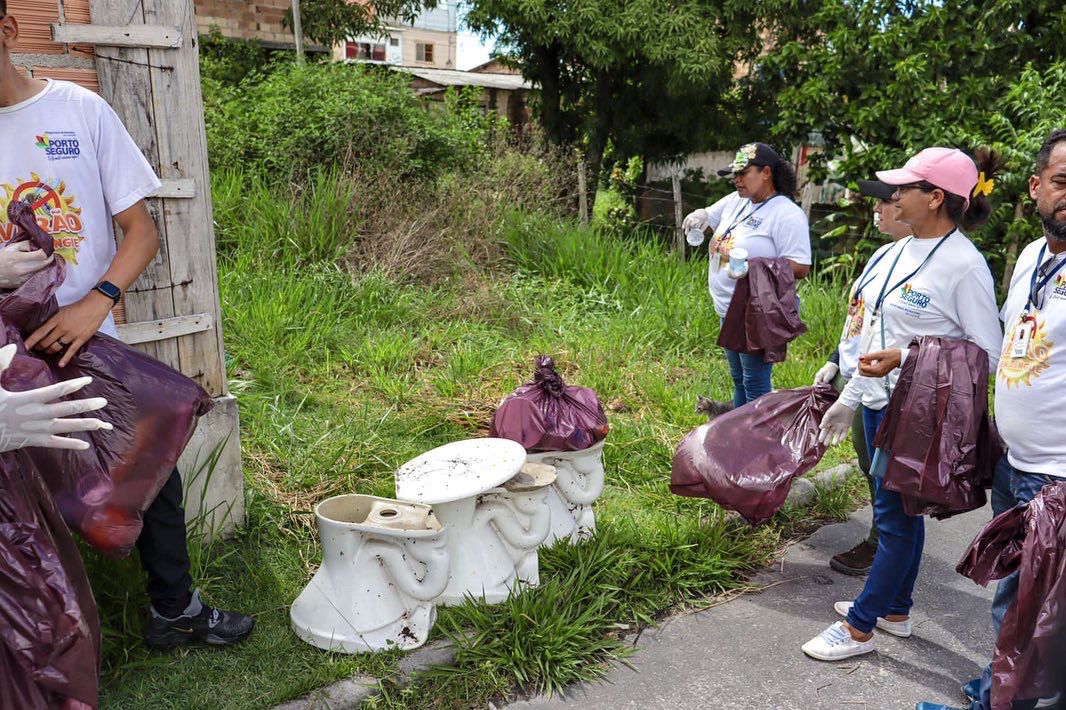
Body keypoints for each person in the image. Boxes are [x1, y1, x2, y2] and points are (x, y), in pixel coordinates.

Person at [0, 3, 253, 649]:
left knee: (150, 469)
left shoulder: (78, 113)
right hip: (4, 357)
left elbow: (141, 233)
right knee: (18, 498)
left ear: (5, 32)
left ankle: (175, 611)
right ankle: (45, 641)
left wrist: (97, 301)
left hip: (86, 340)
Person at [802, 147, 1003, 663]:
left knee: (894, 520)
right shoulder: (896, 250)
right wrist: (849, 396)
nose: (894, 196)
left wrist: (908, 357)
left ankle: (860, 627)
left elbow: (989, 353)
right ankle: (896, 610)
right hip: (874, 404)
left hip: (916, 415)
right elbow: (872, 330)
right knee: (897, 517)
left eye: (905, 188)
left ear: (935, 198)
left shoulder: (964, 265)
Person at [915, 130, 1066, 710]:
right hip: (1016, 463)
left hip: (1056, 478)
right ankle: (993, 693)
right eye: (1061, 181)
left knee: (1043, 619)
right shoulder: (1031, 256)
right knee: (1016, 602)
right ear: (1035, 189)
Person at [812, 180, 911, 576]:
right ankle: (884, 543)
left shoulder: (921, 267)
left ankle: (881, 546)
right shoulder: (880, 256)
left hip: (888, 386)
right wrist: (837, 360)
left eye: (886, 200)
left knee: (882, 471)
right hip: (857, 378)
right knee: (868, 462)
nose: (877, 207)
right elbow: (861, 319)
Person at [682, 142, 812, 407]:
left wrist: (753, 265)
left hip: (756, 310)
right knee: (739, 378)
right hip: (728, 307)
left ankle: (757, 442)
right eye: (734, 174)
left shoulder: (786, 215)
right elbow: (711, 218)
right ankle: (738, 435)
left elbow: (801, 267)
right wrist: (700, 217)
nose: (736, 180)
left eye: (743, 173)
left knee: (754, 382)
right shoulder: (738, 201)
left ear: (766, 172)